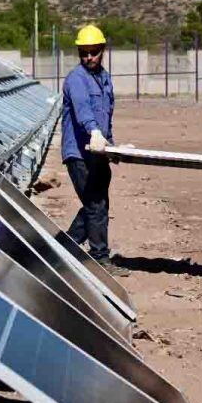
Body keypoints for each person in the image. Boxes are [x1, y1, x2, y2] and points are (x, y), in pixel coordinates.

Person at [61, 24, 128, 277]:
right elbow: (83, 111)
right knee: (95, 204)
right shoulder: (75, 79)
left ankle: (63, 248)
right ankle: (100, 257)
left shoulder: (104, 78)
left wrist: (110, 144)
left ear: (102, 50)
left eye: (93, 52)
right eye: (84, 52)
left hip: (98, 151)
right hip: (79, 153)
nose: (88, 57)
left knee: (97, 204)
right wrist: (93, 131)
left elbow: (105, 115)